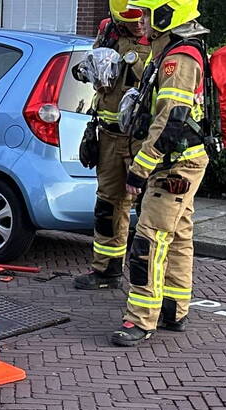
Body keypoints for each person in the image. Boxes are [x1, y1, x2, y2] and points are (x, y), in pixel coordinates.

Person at [111, 0, 209, 347]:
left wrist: (140, 170)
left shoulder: (177, 59)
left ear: (167, 14)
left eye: (148, 14)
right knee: (178, 235)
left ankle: (140, 320)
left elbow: (170, 121)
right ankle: (173, 308)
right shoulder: (169, 50)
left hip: (173, 164)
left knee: (148, 240)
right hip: (182, 161)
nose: (143, 21)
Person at [73, 0, 151, 291]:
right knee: (108, 204)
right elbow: (90, 67)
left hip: (139, 139)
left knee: (147, 209)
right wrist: (91, 71)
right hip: (107, 134)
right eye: (133, 19)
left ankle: (148, 281)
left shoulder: (161, 38)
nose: (140, 24)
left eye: (144, 17)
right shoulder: (109, 31)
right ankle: (106, 270)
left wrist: (136, 63)